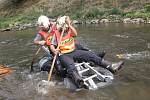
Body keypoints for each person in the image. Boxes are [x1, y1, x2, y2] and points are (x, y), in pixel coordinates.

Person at [50, 16, 124, 88]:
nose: (65, 28)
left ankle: (111, 66)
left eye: (66, 27)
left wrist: (69, 25)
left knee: (90, 55)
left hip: (74, 51)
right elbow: (52, 45)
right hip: (64, 54)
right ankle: (78, 79)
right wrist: (54, 50)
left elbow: (75, 34)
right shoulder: (56, 33)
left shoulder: (70, 29)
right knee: (70, 65)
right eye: (64, 27)